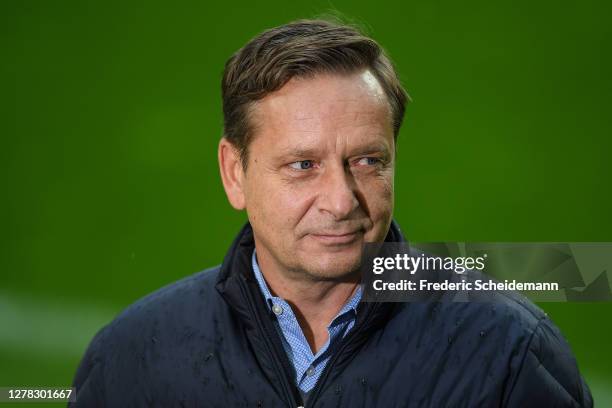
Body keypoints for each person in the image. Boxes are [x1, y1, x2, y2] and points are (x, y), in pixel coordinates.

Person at [70, 19, 593, 407]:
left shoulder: (511, 351)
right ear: (235, 173)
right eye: (303, 165)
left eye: (367, 161)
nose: (342, 201)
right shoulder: (129, 359)